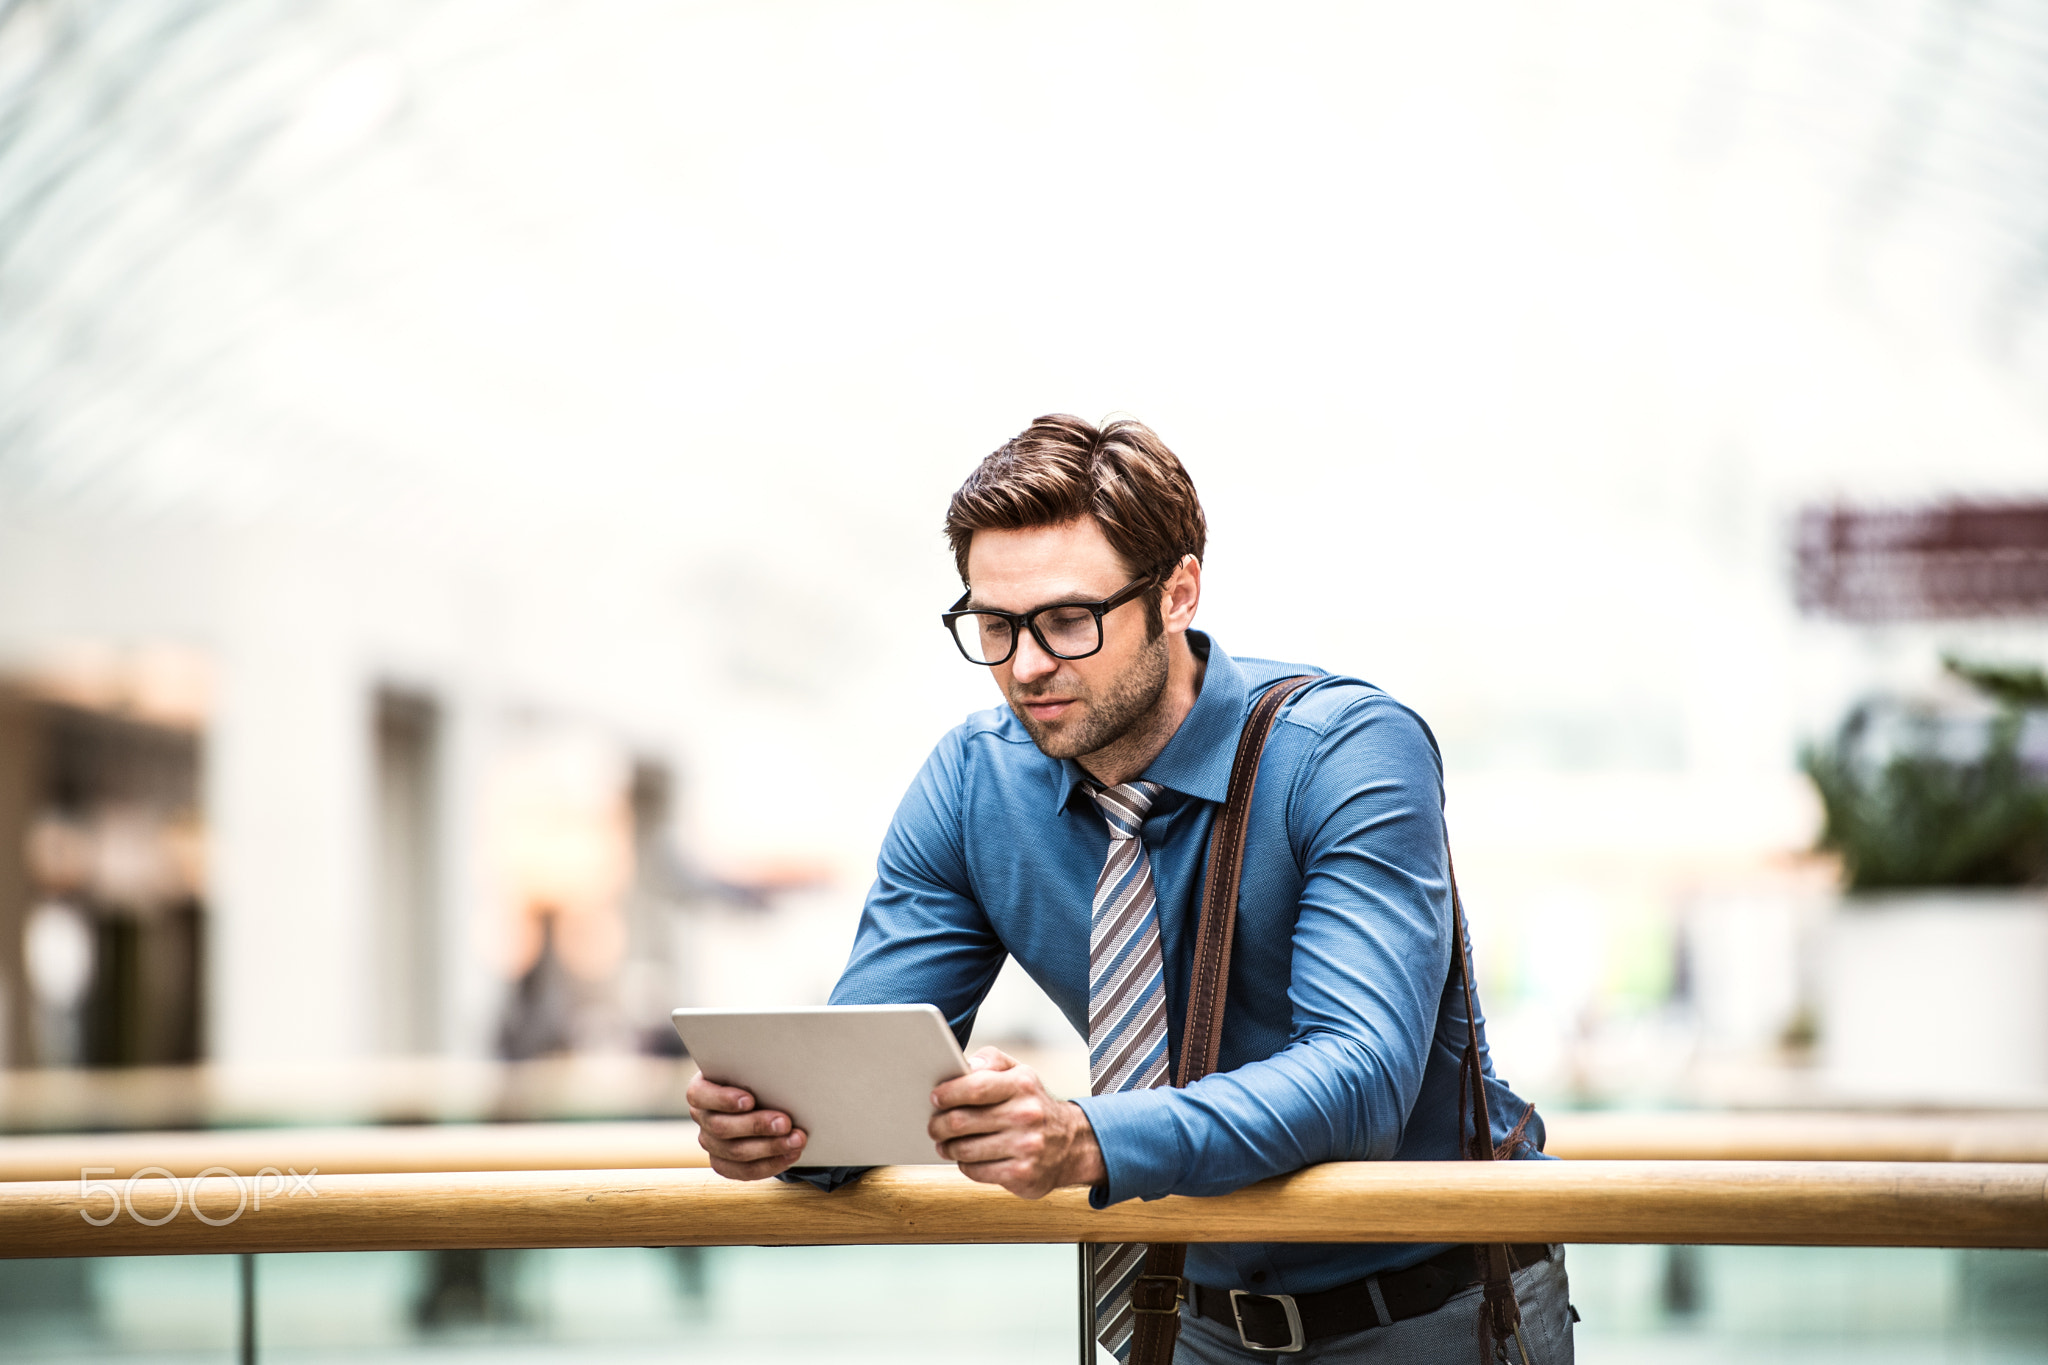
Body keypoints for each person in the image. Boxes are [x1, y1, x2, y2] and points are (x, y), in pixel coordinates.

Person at [687, 415, 1575, 1363]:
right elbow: (870, 1062)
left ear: (1177, 593)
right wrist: (790, 1130)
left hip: (1427, 1315)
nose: (1026, 665)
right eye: (994, 625)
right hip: (1189, 1317)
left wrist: (1083, 1142)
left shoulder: (1347, 752)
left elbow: (1360, 1079)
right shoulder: (973, 786)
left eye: (1068, 620)